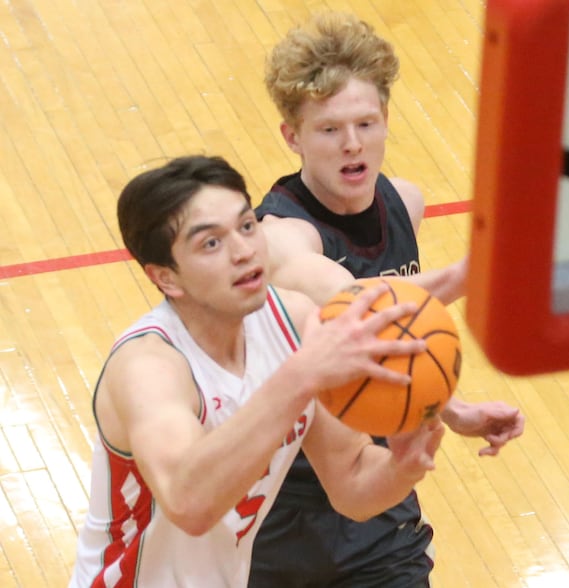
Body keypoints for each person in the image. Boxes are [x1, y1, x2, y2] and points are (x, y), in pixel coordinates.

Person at [68, 155, 446, 587]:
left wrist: (405, 464)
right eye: (211, 243)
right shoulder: (148, 368)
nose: (244, 251)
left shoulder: (292, 319)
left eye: (247, 227)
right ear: (166, 278)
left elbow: (352, 482)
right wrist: (301, 375)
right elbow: (190, 503)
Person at [248, 12, 526, 587]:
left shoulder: (406, 203)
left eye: (366, 123)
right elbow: (353, 300)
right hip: (281, 506)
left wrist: (453, 409)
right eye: (329, 129)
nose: (353, 144)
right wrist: (474, 269)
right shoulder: (281, 234)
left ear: (386, 121)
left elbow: (398, 334)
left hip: (375, 485)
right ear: (292, 136)